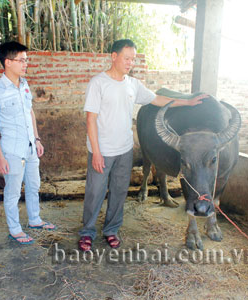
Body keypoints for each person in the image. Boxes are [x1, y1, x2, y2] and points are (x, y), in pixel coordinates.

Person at [78, 39, 207, 252]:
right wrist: (97, 153)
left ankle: (111, 230)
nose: (130, 63)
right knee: (95, 193)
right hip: (101, 151)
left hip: (124, 149)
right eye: (126, 58)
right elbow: (90, 120)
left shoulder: (133, 84)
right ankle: (87, 232)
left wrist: (187, 102)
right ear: (113, 56)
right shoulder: (98, 83)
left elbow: (157, 99)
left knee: (119, 192)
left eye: (133, 59)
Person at [0, 41, 55, 246]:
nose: (26, 64)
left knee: (34, 185)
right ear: (7, 62)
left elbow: (30, 112)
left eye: (26, 60)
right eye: (22, 60)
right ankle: (15, 229)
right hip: (12, 151)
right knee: (13, 192)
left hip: (30, 147)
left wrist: (37, 138)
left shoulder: (24, 84)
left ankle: (35, 219)